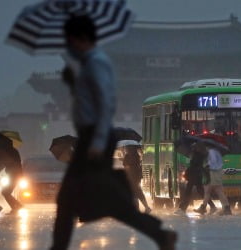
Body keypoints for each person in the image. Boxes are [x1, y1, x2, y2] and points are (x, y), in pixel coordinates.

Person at [50, 15, 177, 250]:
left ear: (81, 38)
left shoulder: (96, 63)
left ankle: (159, 235)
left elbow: (104, 103)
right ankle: (160, 235)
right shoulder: (87, 63)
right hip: (93, 136)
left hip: (95, 137)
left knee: (72, 199)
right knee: (99, 200)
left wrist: (97, 141)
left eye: (70, 39)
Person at [175, 142, 216, 215]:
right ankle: (212, 206)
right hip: (196, 173)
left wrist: (193, 154)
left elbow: (195, 162)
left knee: (189, 190)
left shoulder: (199, 152)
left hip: (195, 173)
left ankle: (183, 208)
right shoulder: (200, 152)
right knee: (200, 190)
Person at [194, 145, 232, 215]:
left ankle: (226, 208)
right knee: (209, 191)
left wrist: (207, 165)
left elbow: (213, 163)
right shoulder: (213, 151)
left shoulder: (212, 152)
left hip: (214, 172)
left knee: (216, 190)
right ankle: (203, 208)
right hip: (214, 172)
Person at [123, 145, 151, 213]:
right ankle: (146, 207)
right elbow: (138, 165)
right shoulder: (137, 155)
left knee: (134, 192)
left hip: (131, 177)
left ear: (128, 148)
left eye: (126, 148)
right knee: (138, 192)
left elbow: (125, 166)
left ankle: (138, 209)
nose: (125, 149)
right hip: (137, 176)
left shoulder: (127, 156)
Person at [0, 146, 23, 214]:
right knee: (6, 192)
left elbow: (9, 162)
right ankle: (17, 205)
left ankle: (16, 206)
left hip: (15, 174)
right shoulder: (12, 151)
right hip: (15, 174)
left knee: (5, 192)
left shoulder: (10, 151)